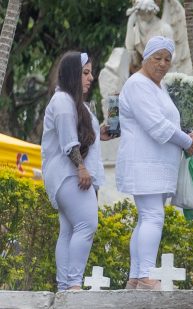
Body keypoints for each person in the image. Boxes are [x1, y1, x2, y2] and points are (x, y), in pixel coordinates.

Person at [116, 36, 193, 290]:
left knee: (147, 218)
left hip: (157, 164)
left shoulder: (158, 87)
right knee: (153, 216)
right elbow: (156, 125)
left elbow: (167, 123)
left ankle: (136, 276)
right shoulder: (138, 84)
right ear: (145, 58)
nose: (163, 64)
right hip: (144, 163)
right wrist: (186, 140)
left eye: (167, 59)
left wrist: (186, 134)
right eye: (157, 58)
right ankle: (144, 275)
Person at [42, 52, 112, 291]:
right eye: (85, 72)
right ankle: (73, 284)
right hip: (69, 173)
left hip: (67, 175)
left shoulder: (73, 102)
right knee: (87, 224)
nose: (91, 77)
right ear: (72, 73)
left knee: (70, 229)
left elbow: (80, 135)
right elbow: (68, 141)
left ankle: (65, 287)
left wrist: (100, 134)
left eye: (90, 72)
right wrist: (80, 166)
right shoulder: (62, 101)